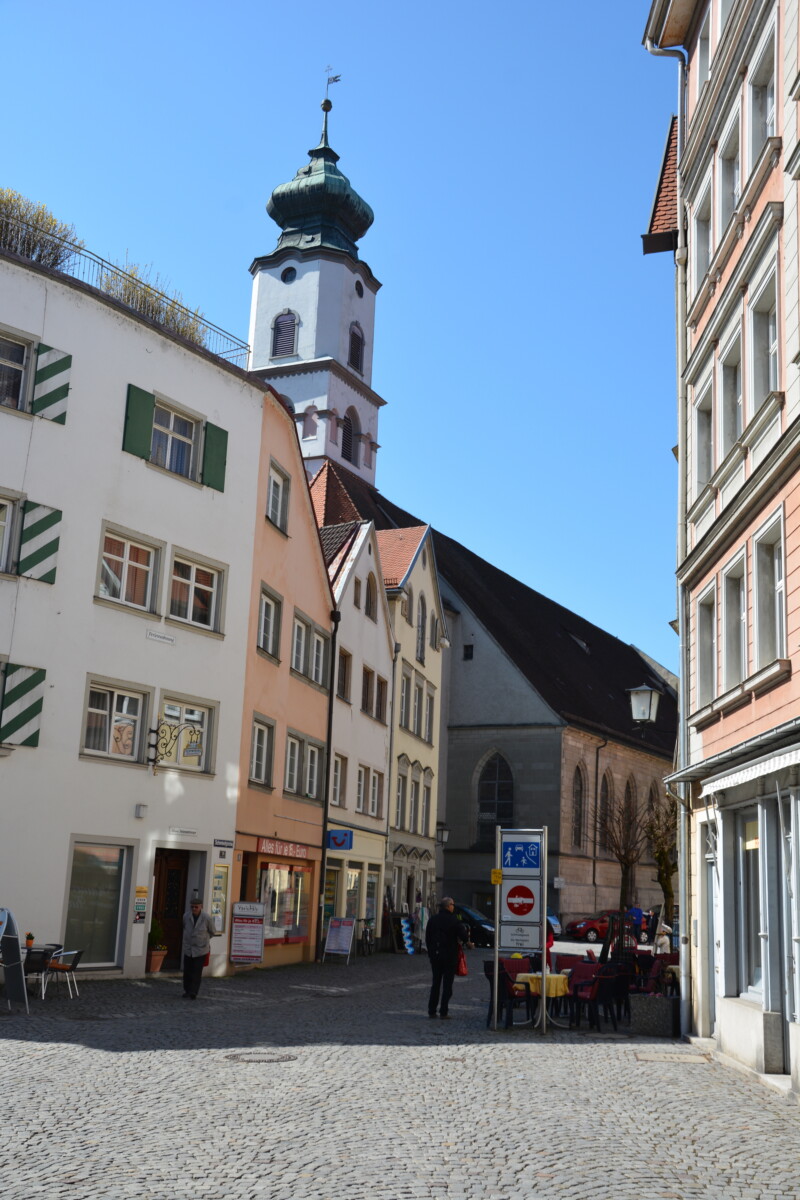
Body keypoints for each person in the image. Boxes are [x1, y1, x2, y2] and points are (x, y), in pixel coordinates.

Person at [425, 896, 472, 1019]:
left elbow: (428, 938)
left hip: (436, 956)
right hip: (450, 956)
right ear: (448, 906)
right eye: (452, 905)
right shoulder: (454, 920)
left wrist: (431, 953)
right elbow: (463, 935)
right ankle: (443, 1011)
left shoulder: (433, 919)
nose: (453, 907)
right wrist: (469, 943)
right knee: (447, 986)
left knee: (435, 984)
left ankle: (431, 1010)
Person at [181, 898, 217, 999]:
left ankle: (194, 992)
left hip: (201, 950)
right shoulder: (186, 916)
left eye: (196, 907)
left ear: (201, 907)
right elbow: (184, 927)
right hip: (188, 949)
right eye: (192, 907)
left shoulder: (206, 918)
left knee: (196, 972)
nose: (194, 909)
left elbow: (212, 931)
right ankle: (187, 990)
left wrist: (204, 939)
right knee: (187, 972)